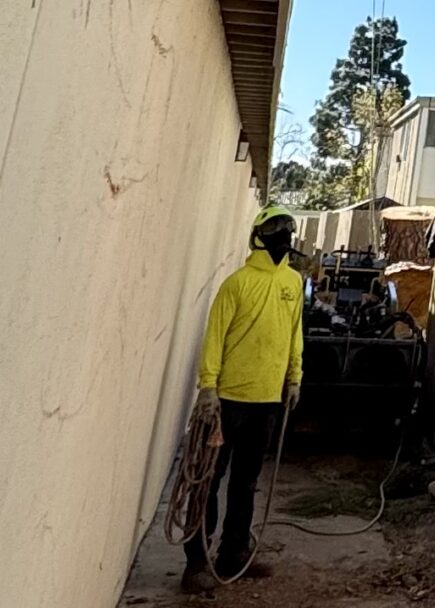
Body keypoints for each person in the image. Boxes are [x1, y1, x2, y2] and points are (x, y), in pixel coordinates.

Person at [181, 206, 305, 595]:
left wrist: (294, 377)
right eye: (274, 228)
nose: (282, 234)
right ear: (258, 235)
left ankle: (234, 552)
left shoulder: (294, 283)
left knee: (246, 482)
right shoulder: (237, 283)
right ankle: (196, 562)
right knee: (207, 481)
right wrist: (208, 388)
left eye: (287, 228)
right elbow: (214, 336)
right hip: (227, 403)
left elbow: (294, 333)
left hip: (267, 400)